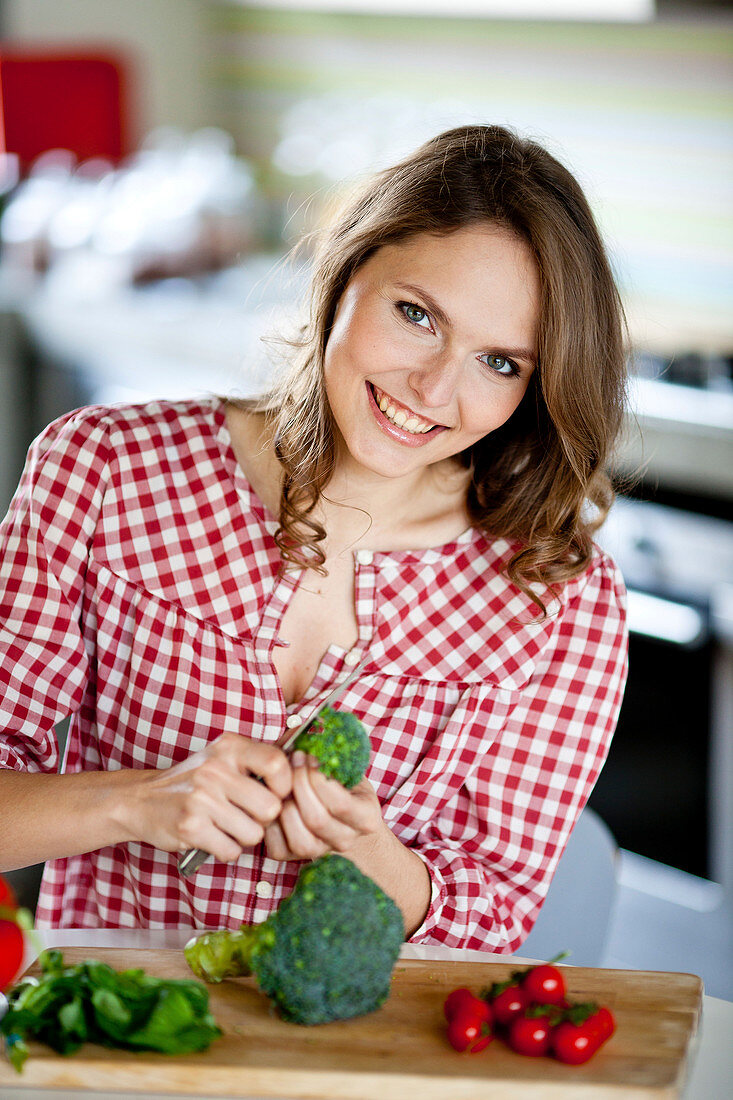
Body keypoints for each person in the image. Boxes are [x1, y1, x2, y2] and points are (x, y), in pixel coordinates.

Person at [0, 124, 628, 950]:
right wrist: (138, 799)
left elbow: (495, 915)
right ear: (344, 274)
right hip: (109, 1044)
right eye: (416, 315)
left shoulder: (562, 605)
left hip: (367, 1066)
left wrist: (370, 856)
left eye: (500, 363)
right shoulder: (102, 469)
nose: (434, 388)